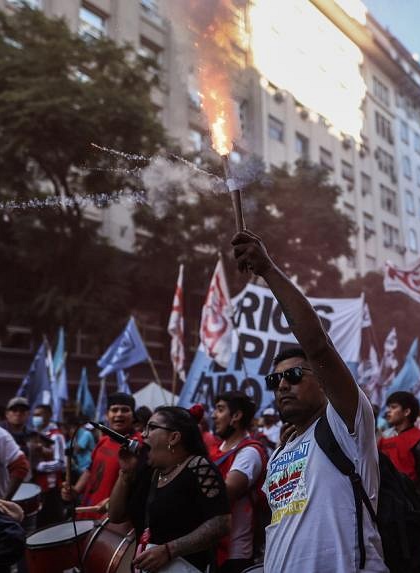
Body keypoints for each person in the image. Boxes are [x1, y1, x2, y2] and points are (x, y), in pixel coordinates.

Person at [231, 229, 387, 572]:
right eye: (275, 380)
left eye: (295, 375)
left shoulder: (346, 422)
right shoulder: (280, 454)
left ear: (321, 379)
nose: (283, 385)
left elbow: (317, 345)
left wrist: (268, 270)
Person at [109, 406, 231, 572]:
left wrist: (169, 551)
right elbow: (115, 516)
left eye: (151, 428)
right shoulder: (148, 471)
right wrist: (125, 473)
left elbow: (221, 523)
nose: (143, 434)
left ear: (173, 437)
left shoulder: (199, 467)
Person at [211, 391, 268, 573]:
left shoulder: (249, 452)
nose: (214, 415)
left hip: (235, 555)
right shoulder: (215, 450)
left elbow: (225, 494)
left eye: (220, 409)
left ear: (236, 415)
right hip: (212, 548)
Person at [63, 393, 140, 517]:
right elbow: (90, 470)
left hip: (111, 519)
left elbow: (141, 486)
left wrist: (111, 503)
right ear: (107, 415)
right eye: (114, 410)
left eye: (125, 410)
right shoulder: (103, 440)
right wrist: (75, 490)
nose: (119, 414)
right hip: (87, 511)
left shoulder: (138, 444)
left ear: (133, 416)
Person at [378, 391, 420, 505]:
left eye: (393, 407)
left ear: (406, 412)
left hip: (410, 506)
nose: (388, 411)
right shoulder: (383, 440)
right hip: (388, 503)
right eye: (388, 407)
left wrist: (412, 502)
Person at [30, 403, 65, 527]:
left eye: (39, 415)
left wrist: (38, 467)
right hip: (35, 486)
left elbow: (61, 464)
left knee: (51, 524)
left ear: (49, 415)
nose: (36, 418)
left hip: (51, 488)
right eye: (34, 415)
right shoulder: (32, 434)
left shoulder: (56, 436)